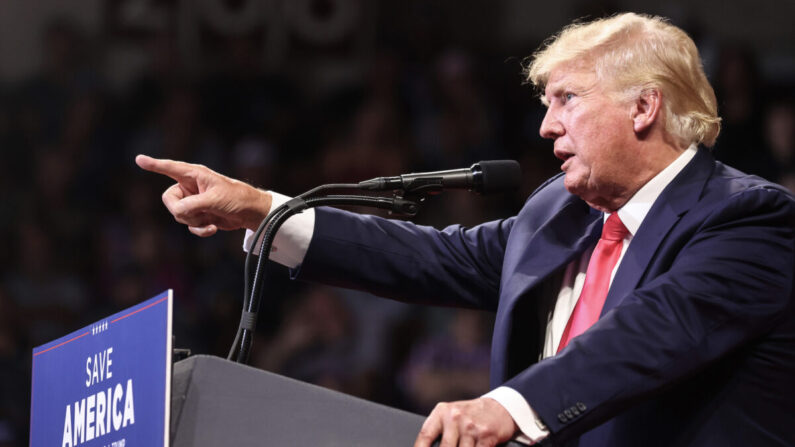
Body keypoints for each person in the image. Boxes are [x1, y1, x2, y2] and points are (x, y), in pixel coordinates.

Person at [136, 13, 795, 447]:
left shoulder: (747, 219)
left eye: (566, 99)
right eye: (544, 106)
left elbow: (650, 329)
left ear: (643, 106)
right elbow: (428, 257)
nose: (545, 127)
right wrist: (261, 208)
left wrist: (508, 405)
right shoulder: (558, 215)